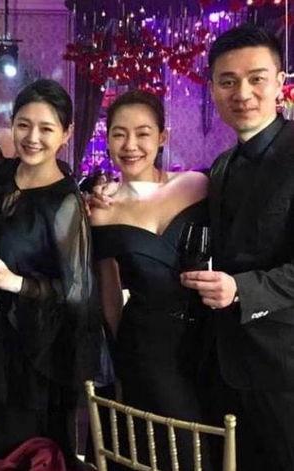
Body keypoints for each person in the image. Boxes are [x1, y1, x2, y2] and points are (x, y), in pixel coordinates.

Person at [0, 78, 100, 470]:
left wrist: (18, 283)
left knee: (26, 454)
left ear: (66, 133)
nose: (32, 138)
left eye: (46, 128)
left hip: (34, 355)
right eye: (24, 125)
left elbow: (79, 292)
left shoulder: (66, 201)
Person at [180, 24, 294, 471]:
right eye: (227, 81)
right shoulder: (223, 165)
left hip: (283, 365)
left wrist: (241, 289)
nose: (242, 93)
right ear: (212, 89)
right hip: (223, 361)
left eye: (256, 78)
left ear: (280, 81)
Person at [89, 90, 210, 469]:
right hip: (146, 345)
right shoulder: (101, 209)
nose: (130, 145)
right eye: (119, 134)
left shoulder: (196, 185)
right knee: (172, 450)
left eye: (143, 133)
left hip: (209, 336)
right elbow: (109, 292)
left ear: (162, 137)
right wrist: (121, 357)